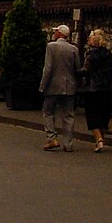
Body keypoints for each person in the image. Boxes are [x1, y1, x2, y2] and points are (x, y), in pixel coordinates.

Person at [40, 23, 80, 151]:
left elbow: (48, 68)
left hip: (53, 84)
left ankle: (52, 138)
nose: (54, 33)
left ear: (60, 34)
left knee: (48, 111)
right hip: (69, 85)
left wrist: (43, 85)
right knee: (68, 114)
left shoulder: (51, 47)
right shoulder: (74, 49)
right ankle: (68, 144)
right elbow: (77, 68)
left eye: (56, 31)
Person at [81, 28, 112, 153]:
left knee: (92, 115)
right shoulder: (108, 54)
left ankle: (99, 139)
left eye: (89, 37)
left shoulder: (91, 54)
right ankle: (102, 138)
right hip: (106, 88)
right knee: (103, 113)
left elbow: (86, 70)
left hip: (92, 89)